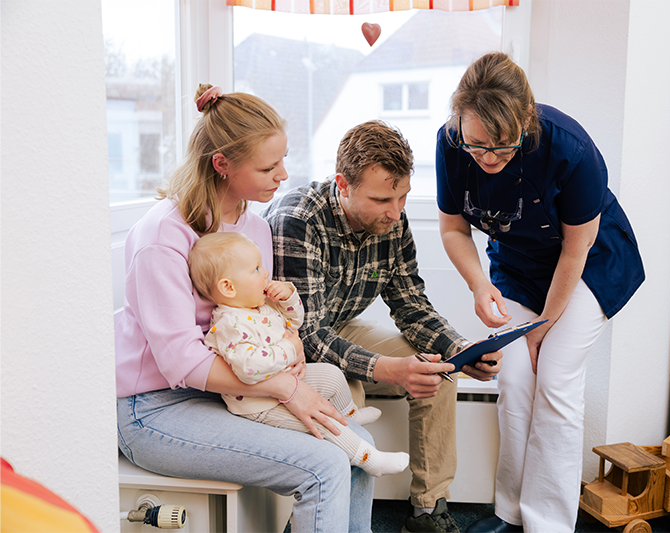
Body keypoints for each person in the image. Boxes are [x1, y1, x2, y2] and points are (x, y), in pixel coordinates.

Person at [115, 84, 375, 533]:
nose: (283, 175)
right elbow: (182, 362)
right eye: (268, 167)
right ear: (222, 164)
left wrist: (290, 341)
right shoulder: (162, 237)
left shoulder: (255, 228)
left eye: (283, 160)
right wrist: (286, 388)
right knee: (325, 465)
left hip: (228, 395)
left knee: (359, 444)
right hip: (153, 408)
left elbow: (261, 314)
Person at [436, 53, 645, 533]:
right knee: (513, 378)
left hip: (589, 263)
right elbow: (452, 229)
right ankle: (511, 515)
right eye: (476, 145)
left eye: (502, 146)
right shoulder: (451, 143)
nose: (488, 158)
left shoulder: (572, 149)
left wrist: (542, 327)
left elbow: (576, 249)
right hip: (518, 266)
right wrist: (479, 284)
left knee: (555, 376)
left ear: (526, 117)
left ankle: (548, 525)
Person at [264, 120, 503, 533]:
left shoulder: (392, 221)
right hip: (287, 343)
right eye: (381, 199)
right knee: (347, 393)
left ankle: (428, 509)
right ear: (343, 185)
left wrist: (459, 349)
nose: (396, 211)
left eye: (403, 196)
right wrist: (388, 369)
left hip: (340, 326)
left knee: (437, 370)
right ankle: (327, 519)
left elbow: (411, 304)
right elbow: (309, 335)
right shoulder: (297, 221)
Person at [188, 231, 410, 477]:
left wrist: (288, 298)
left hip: (285, 378)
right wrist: (290, 349)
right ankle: (370, 459)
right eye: (256, 269)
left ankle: (350, 415)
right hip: (259, 403)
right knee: (320, 422)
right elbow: (250, 369)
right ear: (228, 287)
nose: (266, 273)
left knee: (332, 375)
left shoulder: (259, 306)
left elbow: (295, 322)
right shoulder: (230, 324)